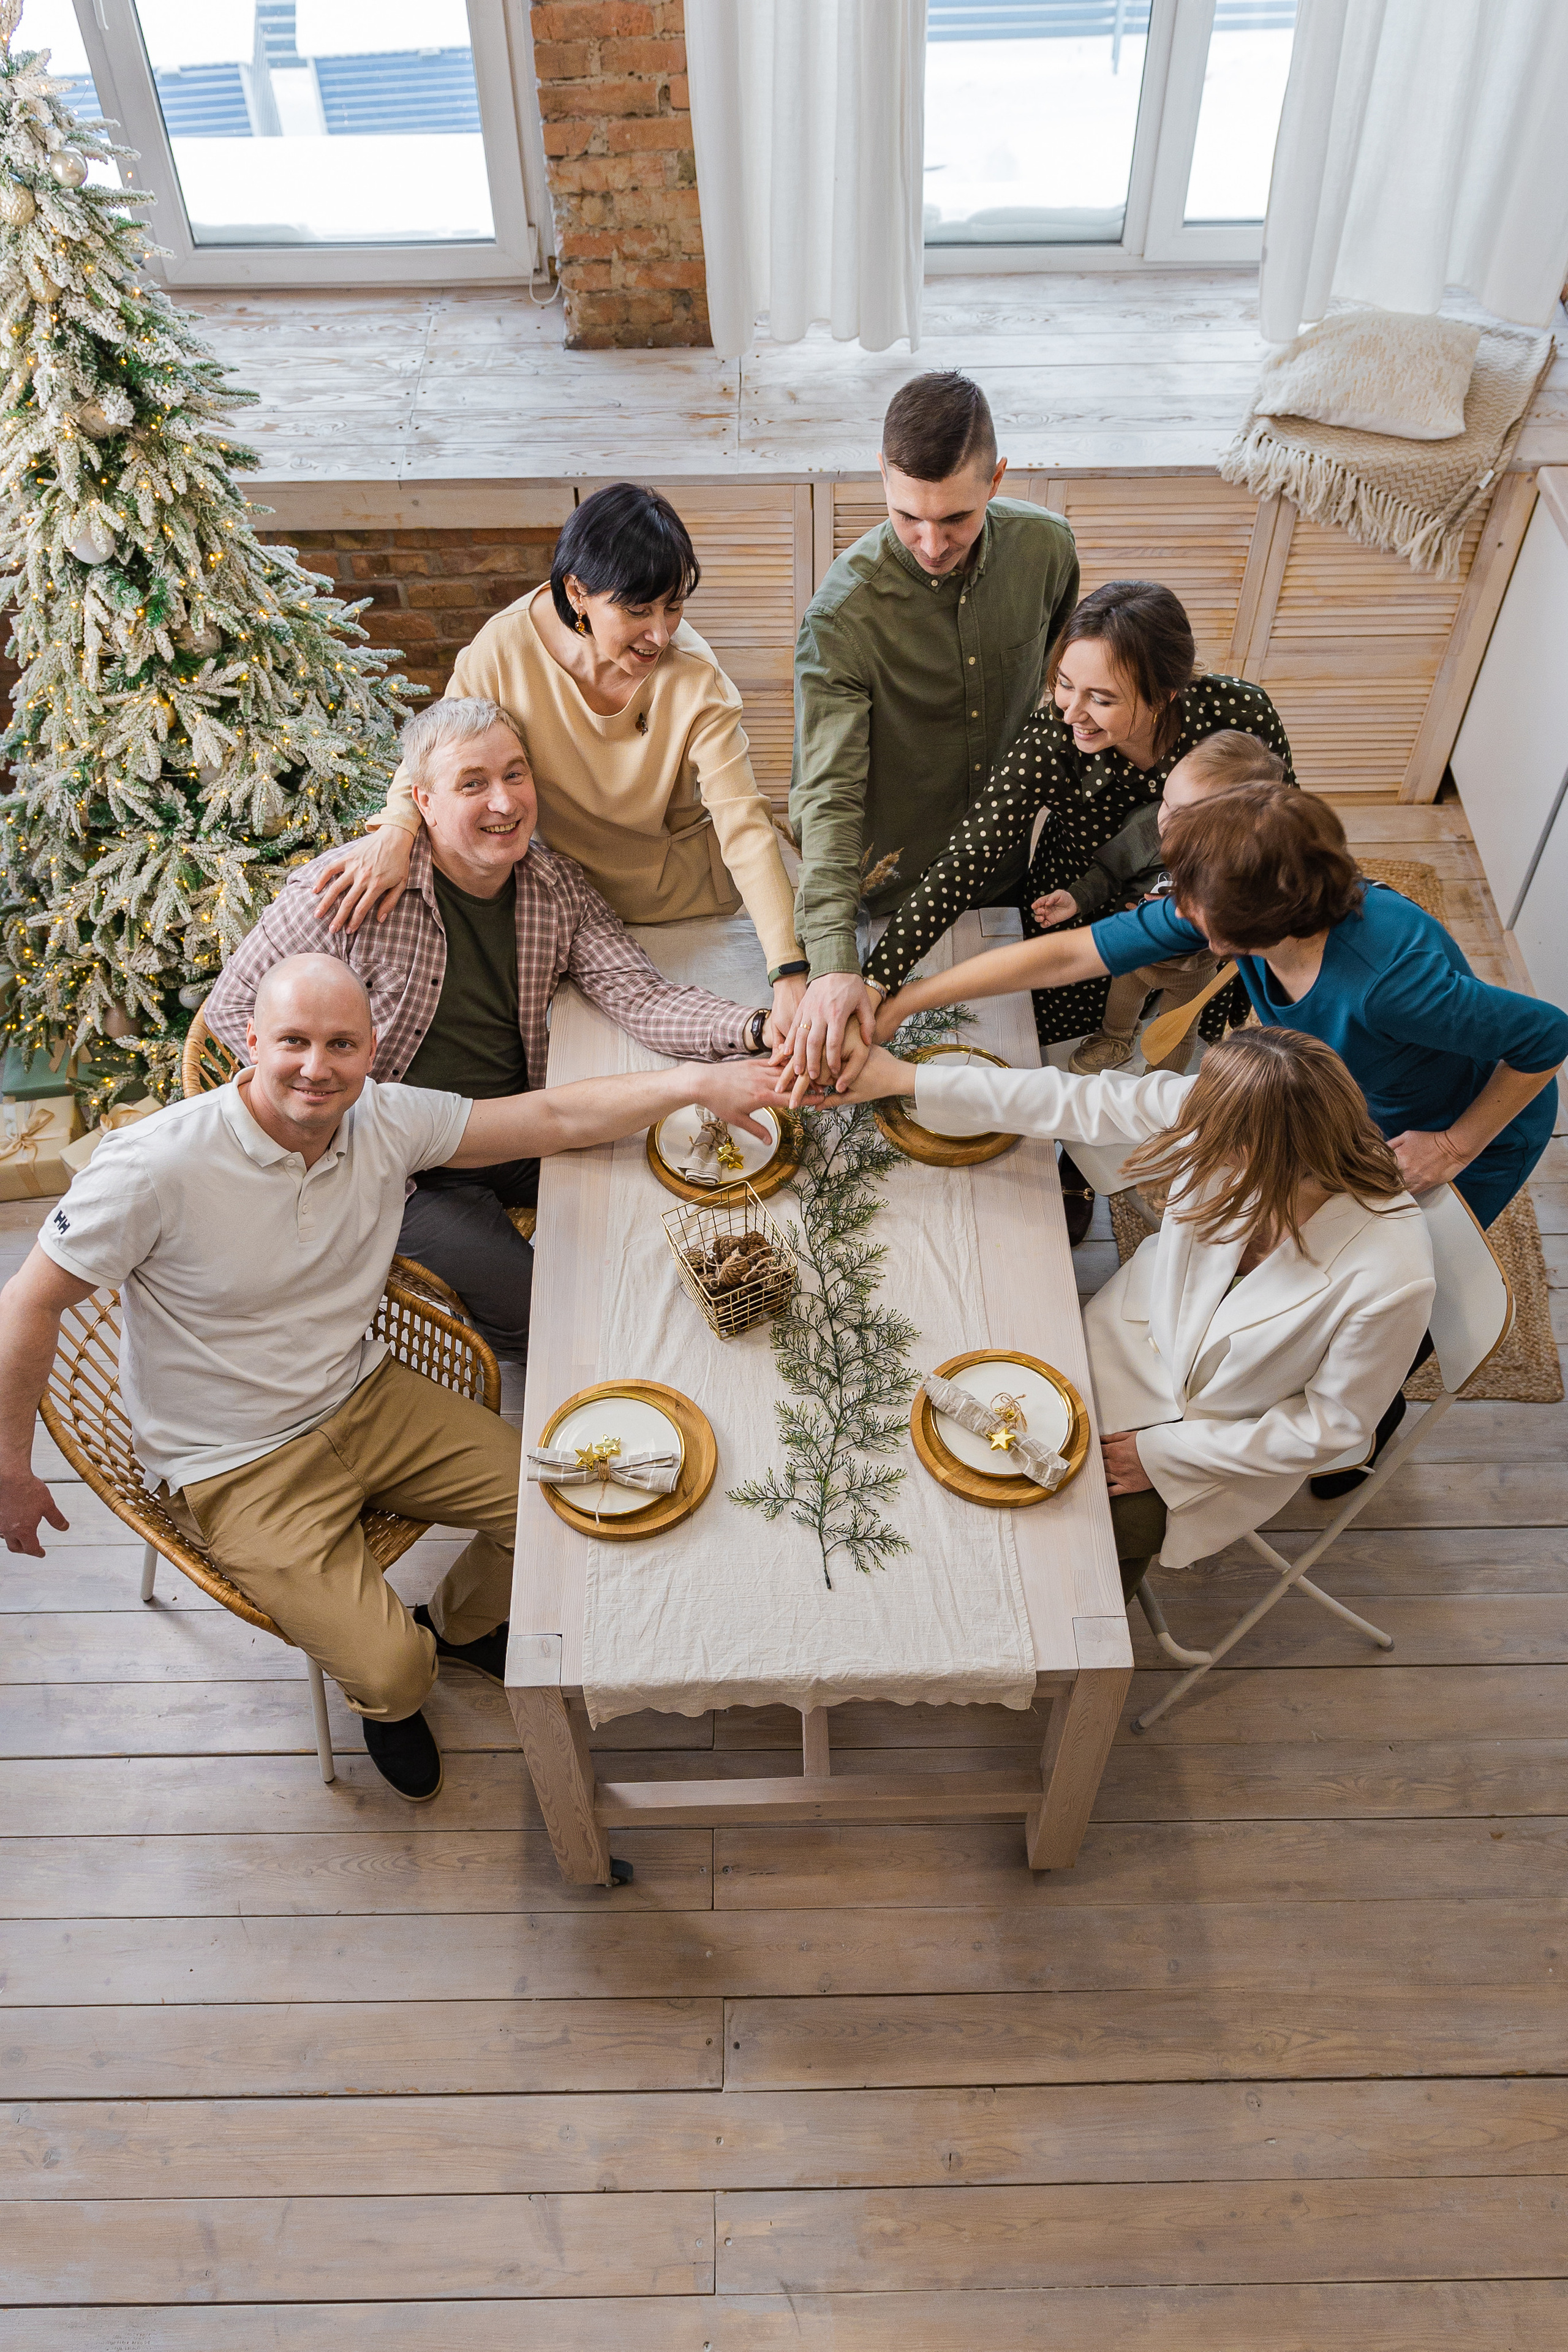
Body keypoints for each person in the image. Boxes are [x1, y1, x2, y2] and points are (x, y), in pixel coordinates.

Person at [0, 956, 790, 1803]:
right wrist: (12, 1465)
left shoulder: (383, 1118)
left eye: (341, 1043)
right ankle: (397, 1685)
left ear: (373, 1048)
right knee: (396, 1677)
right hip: (232, 1461)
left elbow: (553, 1115)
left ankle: (456, 1625)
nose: (316, 1066)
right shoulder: (153, 1165)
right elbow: (28, 1303)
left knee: (568, 1512)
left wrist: (696, 1086)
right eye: (294, 1042)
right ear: (252, 1043)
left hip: (366, 1395)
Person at [870, 782, 1567, 1490]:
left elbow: (1546, 1036)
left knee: (1396, 1288)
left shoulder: (1391, 982)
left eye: (1189, 900)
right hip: (1315, 1103)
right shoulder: (1248, 924)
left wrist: (1455, 1145)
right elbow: (1067, 959)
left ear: (1250, 921)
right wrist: (904, 1003)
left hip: (1463, 1118)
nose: (1176, 910)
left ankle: (1369, 1421)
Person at [206, 699, 780, 1368]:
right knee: (552, 1321)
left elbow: (641, 997)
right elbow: (231, 1012)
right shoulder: (346, 890)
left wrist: (757, 1026)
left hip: (517, 1127)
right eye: (472, 784)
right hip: (402, 1169)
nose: (503, 802)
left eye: (515, 775)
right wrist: (336, 1111)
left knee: (668, 1200)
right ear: (421, 800)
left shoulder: (554, 887)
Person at [837, 1025, 1435, 1596]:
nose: (1188, 1134)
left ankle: (1083, 1651)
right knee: (951, 1436)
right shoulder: (1238, 1113)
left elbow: (1334, 1427)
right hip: (1122, 1341)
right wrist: (905, 1079)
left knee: (1063, 1536)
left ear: (1262, 1152)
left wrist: (1164, 1455)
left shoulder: (1390, 1271)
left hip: (1208, 1443)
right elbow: (1072, 1100)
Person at [306, 481, 809, 1036]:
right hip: (567, 903)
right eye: (638, 610)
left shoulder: (696, 678)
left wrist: (788, 973)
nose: (660, 634)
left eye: (673, 607)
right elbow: (439, 747)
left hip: (685, 901)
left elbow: (744, 825)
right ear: (577, 593)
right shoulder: (505, 649)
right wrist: (397, 830)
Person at [782, 369, 1080, 1084]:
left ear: (997, 479)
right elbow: (827, 796)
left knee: (1006, 1071)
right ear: (882, 474)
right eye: (906, 515)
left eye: (955, 519)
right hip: (885, 898)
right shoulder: (841, 618)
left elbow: (1060, 702)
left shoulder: (1047, 551)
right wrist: (830, 964)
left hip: (1003, 881)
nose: (931, 542)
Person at [857, 579, 1295, 1047]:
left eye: (1102, 699)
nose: (1071, 714)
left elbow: (1285, 836)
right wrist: (878, 982)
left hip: (1208, 914)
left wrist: (1224, 915)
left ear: (1166, 693)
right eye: (1065, 685)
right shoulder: (1051, 740)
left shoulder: (1242, 714)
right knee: (1071, 1044)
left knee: (1184, 1044)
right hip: (1079, 899)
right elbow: (966, 859)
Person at [1041, 729, 1286, 1077]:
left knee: (1179, 1030)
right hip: (1136, 951)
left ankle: (1162, 1077)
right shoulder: (1148, 829)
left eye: (1186, 816)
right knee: (1119, 1010)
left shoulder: (1246, 864)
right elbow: (1109, 872)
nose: (1166, 820)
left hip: (1195, 968)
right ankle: (1115, 1041)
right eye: (1167, 802)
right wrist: (1076, 898)